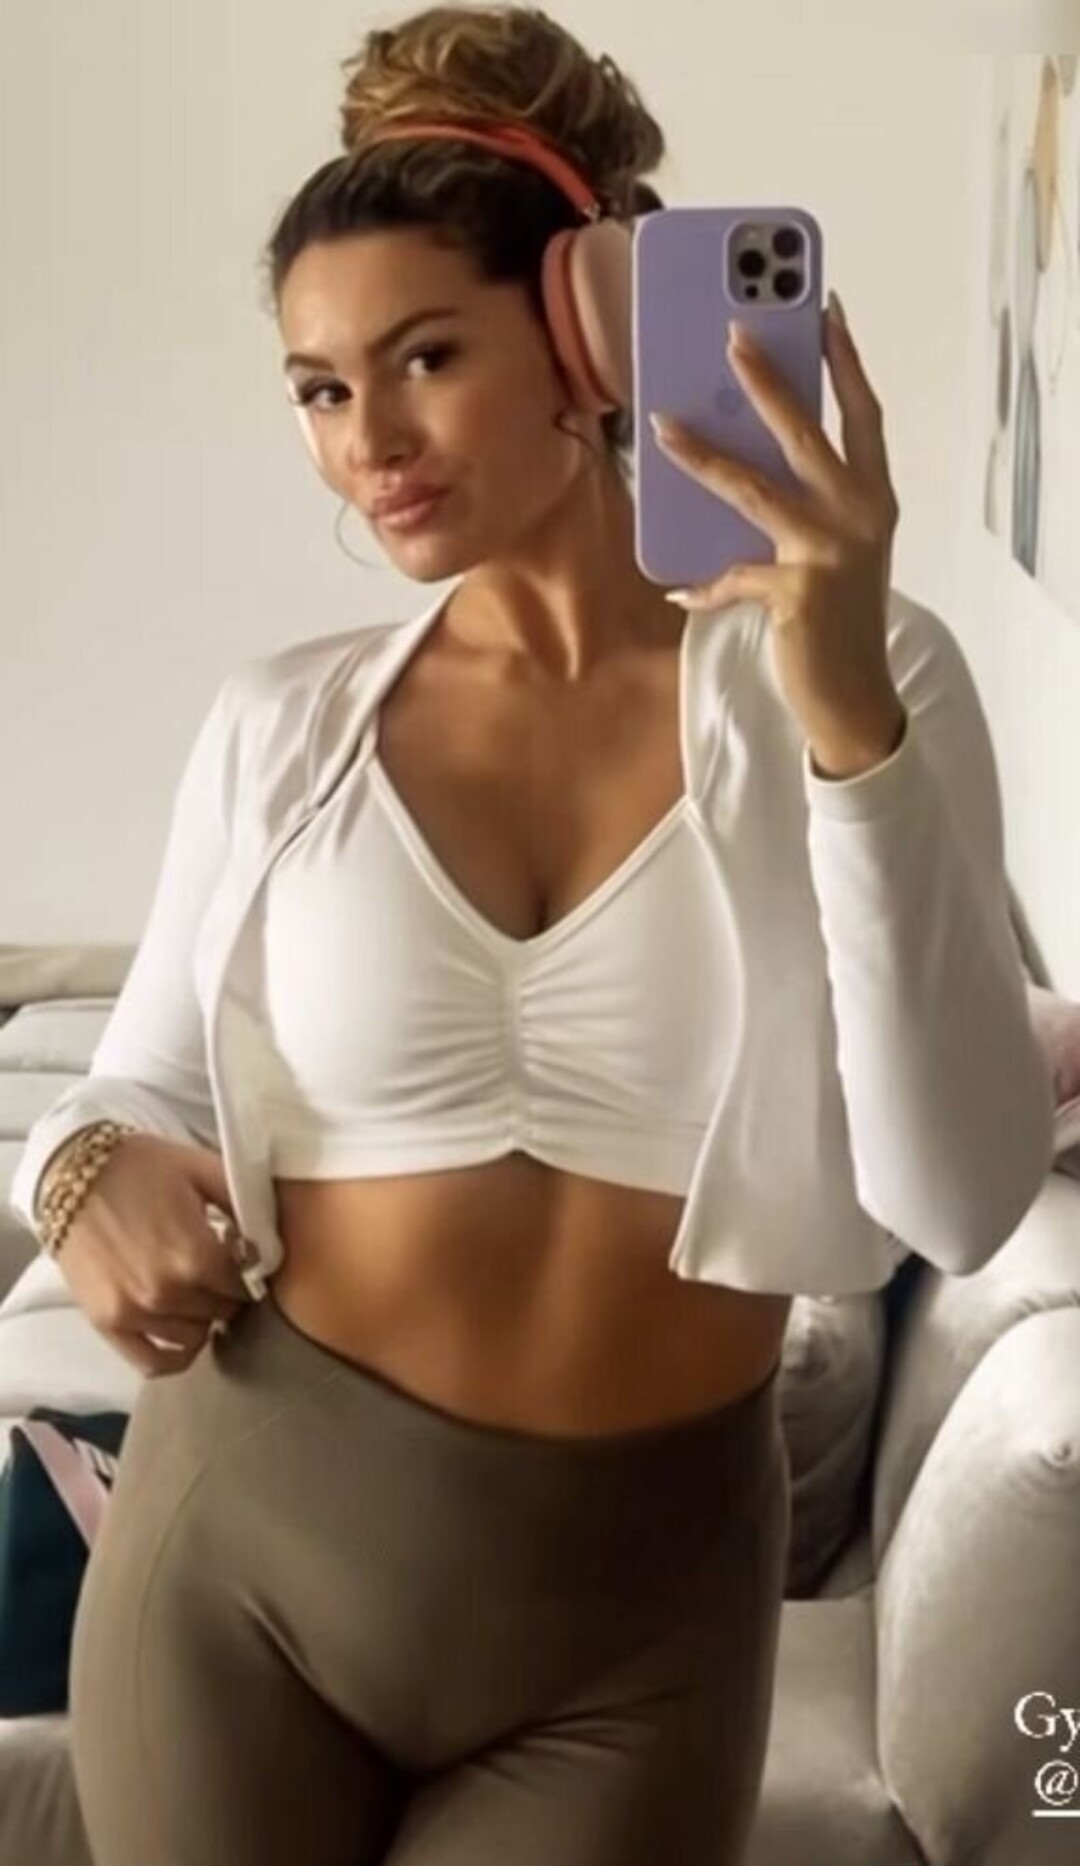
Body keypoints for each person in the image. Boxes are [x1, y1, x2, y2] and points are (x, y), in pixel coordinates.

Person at [10, 7, 1054, 1865]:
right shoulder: (286, 723)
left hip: (630, 1630)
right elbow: (138, 1077)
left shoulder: (870, 673)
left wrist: (845, 726)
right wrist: (79, 1173)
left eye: (425, 357)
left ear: (586, 345)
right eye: (320, 390)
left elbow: (961, 1195)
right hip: (239, 1562)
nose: (370, 445)